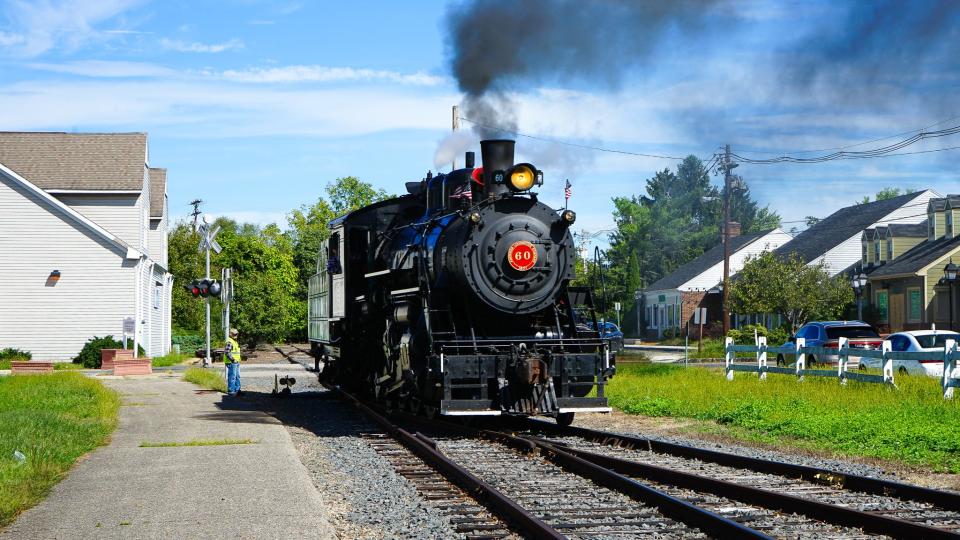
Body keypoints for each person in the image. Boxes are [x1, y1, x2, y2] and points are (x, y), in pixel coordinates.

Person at [225, 328, 242, 395]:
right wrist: (233, 360)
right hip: (232, 362)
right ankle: (231, 390)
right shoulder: (230, 342)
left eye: (236, 334)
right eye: (234, 334)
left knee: (237, 376)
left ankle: (237, 390)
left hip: (236, 362)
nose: (236, 335)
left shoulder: (234, 341)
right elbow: (227, 352)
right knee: (232, 376)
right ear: (231, 334)